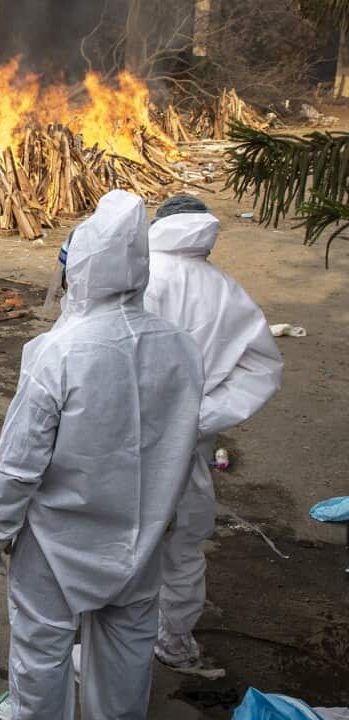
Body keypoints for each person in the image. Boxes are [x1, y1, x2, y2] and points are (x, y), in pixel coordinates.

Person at [0, 191, 205, 720]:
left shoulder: (57, 353)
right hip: (143, 533)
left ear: (80, 269)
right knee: (127, 657)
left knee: (41, 654)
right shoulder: (180, 346)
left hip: (58, 542)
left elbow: (20, 462)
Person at [143, 196, 283, 669]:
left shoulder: (132, 278)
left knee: (121, 543)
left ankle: (113, 647)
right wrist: (201, 415)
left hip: (125, 445)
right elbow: (262, 367)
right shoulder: (226, 290)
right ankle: (173, 640)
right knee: (181, 547)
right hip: (190, 447)